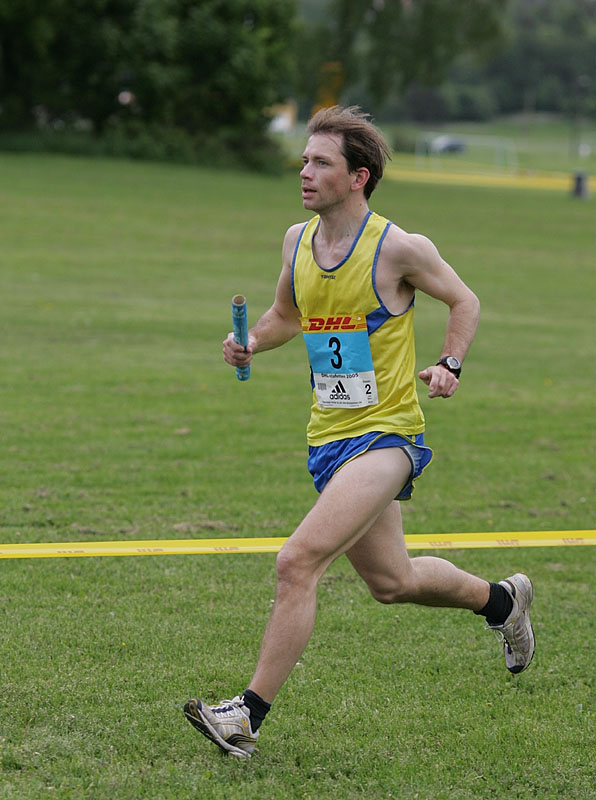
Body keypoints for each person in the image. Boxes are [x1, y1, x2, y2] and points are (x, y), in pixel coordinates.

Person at [183, 106, 534, 758]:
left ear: (358, 177)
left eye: (321, 162)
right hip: (328, 438)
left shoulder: (399, 248)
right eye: (305, 160)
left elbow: (465, 300)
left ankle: (245, 717)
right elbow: (286, 315)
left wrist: (451, 363)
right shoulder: (297, 241)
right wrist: (251, 343)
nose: (304, 171)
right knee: (392, 582)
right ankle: (501, 602)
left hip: (387, 436)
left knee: (297, 563)